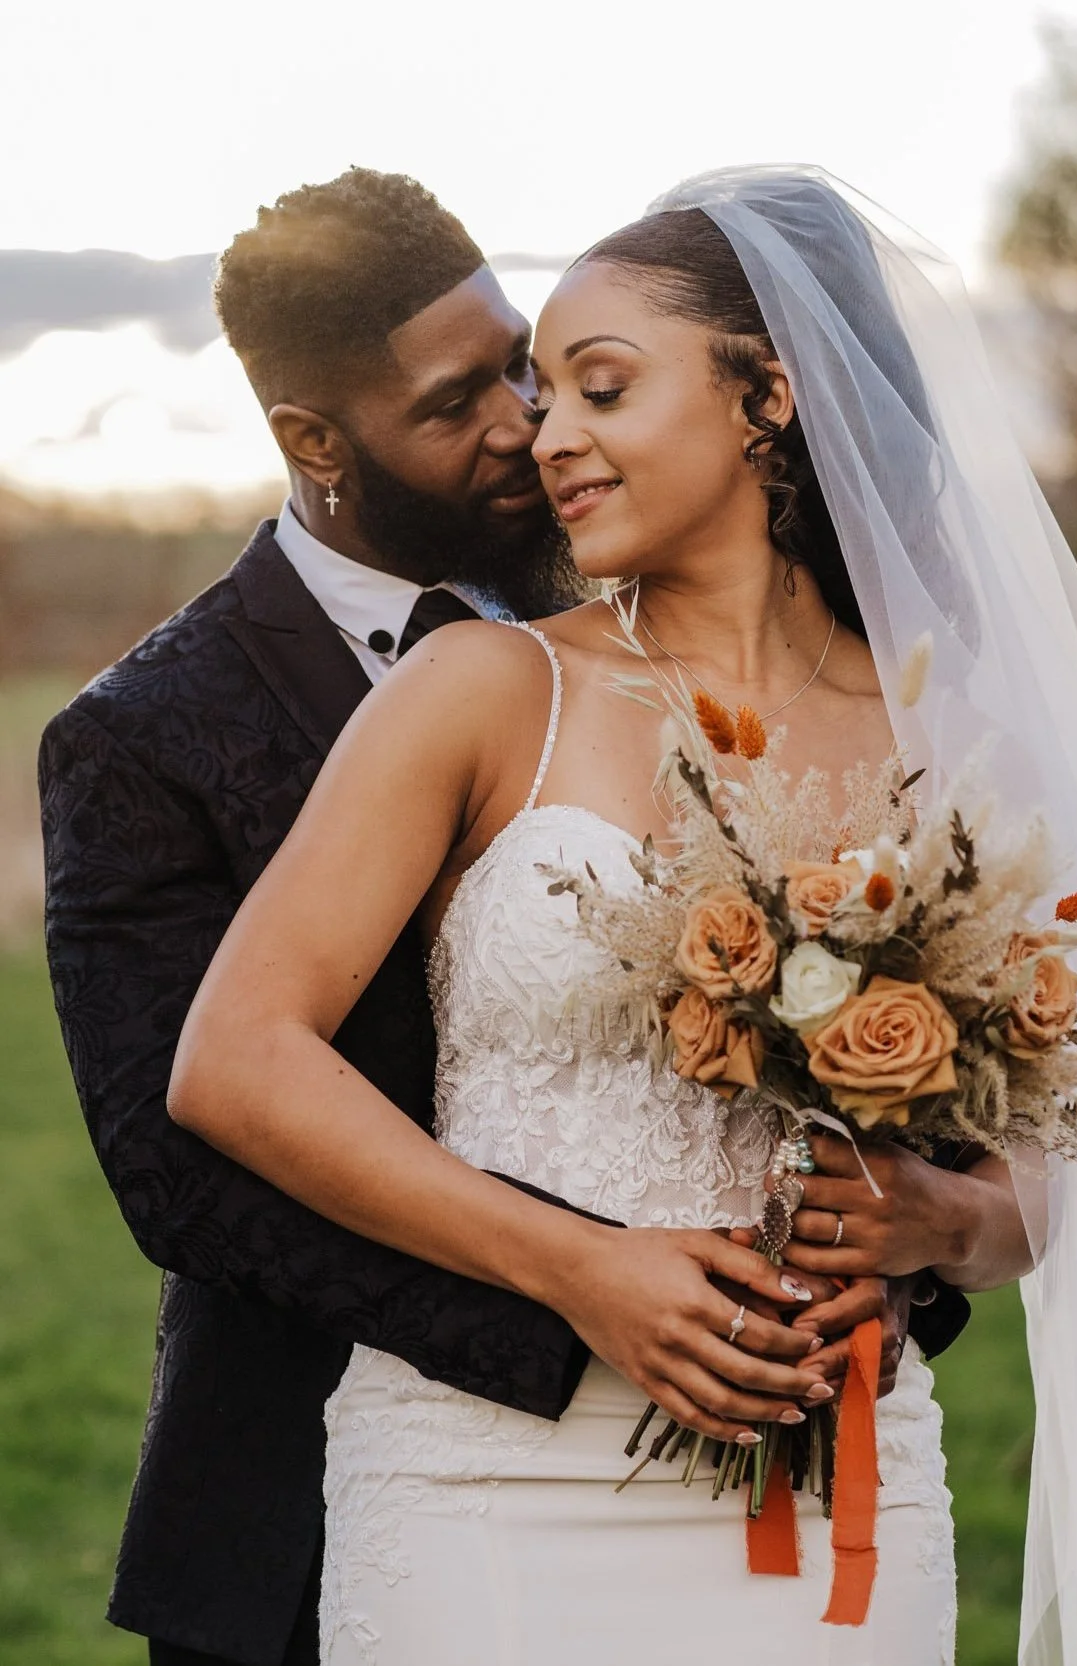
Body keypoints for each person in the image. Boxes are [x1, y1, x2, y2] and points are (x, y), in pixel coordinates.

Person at [39, 168, 970, 1666]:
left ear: (767, 404)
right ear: (313, 442)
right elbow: (185, 1159)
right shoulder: (154, 731)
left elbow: (1003, 1141)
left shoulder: (865, 691)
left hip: (797, 1445)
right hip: (391, 1473)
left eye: (545, 375)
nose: (531, 433)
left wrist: (931, 1227)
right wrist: (596, 1290)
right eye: (471, 399)